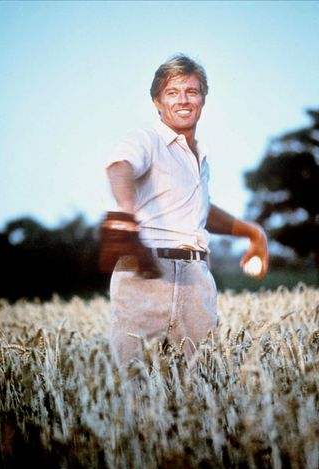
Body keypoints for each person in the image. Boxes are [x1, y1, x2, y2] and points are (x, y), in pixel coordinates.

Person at [104, 54, 268, 366]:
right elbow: (119, 168)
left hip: (197, 276)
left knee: (204, 384)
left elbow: (201, 210)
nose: (183, 100)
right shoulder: (144, 139)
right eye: (172, 92)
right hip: (146, 271)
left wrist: (252, 232)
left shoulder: (199, 157)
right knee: (131, 390)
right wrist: (127, 213)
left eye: (191, 92)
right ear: (157, 101)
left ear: (203, 99)